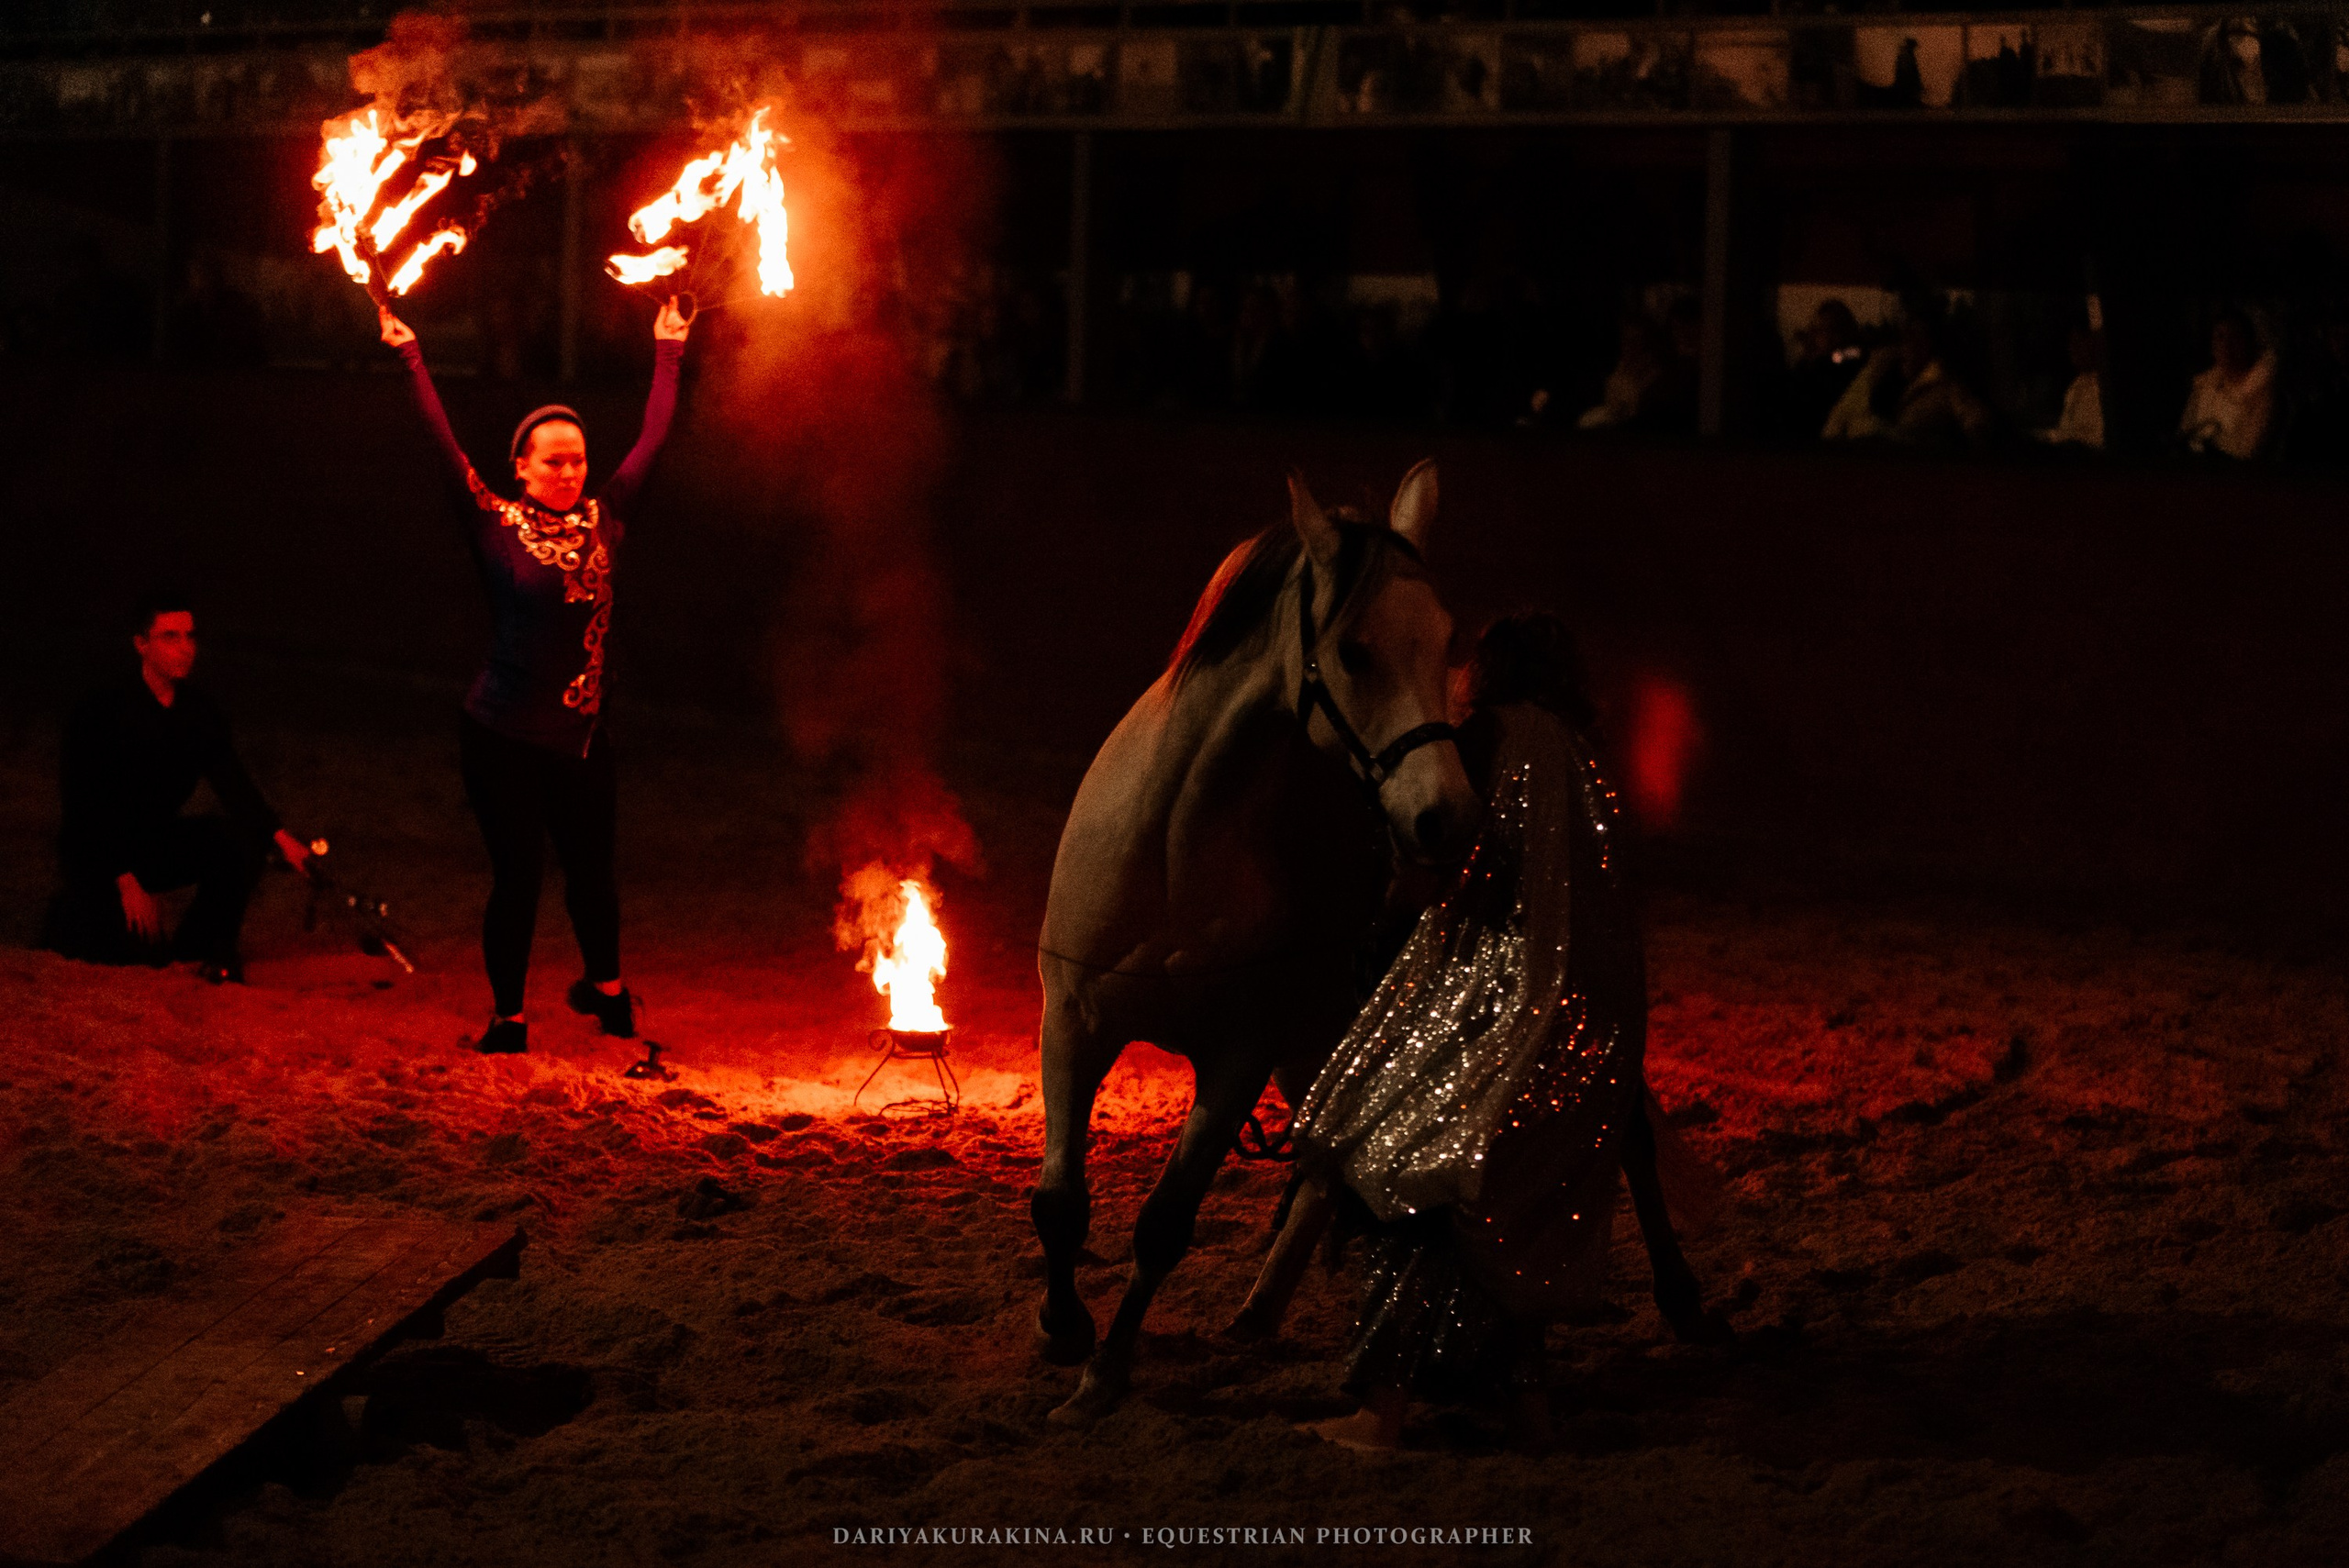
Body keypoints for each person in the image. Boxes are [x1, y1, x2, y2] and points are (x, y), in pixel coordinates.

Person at [1294, 613, 1724, 1453]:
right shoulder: (1580, 756)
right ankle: (1532, 1415)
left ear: (1492, 668)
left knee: (1401, 1175)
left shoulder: (1490, 736)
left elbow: (1462, 862)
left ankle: (1377, 1414)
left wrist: (1387, 927)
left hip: (1513, 1019)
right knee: (1498, 1222)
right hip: (1589, 1035)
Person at [378, 297, 690, 1054]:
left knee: (592, 873)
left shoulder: (607, 518)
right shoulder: (493, 521)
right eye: (552, 460)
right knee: (517, 875)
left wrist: (669, 350)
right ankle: (509, 1019)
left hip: (580, 737)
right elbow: (439, 438)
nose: (568, 471)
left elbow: (654, 436)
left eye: (577, 459)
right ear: (520, 467)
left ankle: (608, 994)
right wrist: (411, 352)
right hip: (499, 735)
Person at [45, 593, 312, 983]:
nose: (185, 649)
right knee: (128, 956)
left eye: (190, 637)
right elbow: (84, 806)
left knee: (240, 840)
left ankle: (199, 949)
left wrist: (285, 841)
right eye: (170, 637)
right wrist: (126, 879)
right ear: (142, 645)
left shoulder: (199, 712)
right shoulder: (101, 711)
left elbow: (233, 783)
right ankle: (74, 917)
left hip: (153, 839)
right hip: (97, 851)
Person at [2178, 309, 2276, 461]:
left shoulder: (2259, 392)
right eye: (2220, 337)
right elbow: (2184, 432)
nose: (2226, 345)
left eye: (2235, 337)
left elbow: (2249, 452)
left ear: (2249, 343)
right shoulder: (2204, 385)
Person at [2038, 325, 2105, 450]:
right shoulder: (2078, 385)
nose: (2073, 351)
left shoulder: (2102, 387)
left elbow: (2097, 440)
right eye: (2072, 345)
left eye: (2079, 344)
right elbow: (2065, 430)